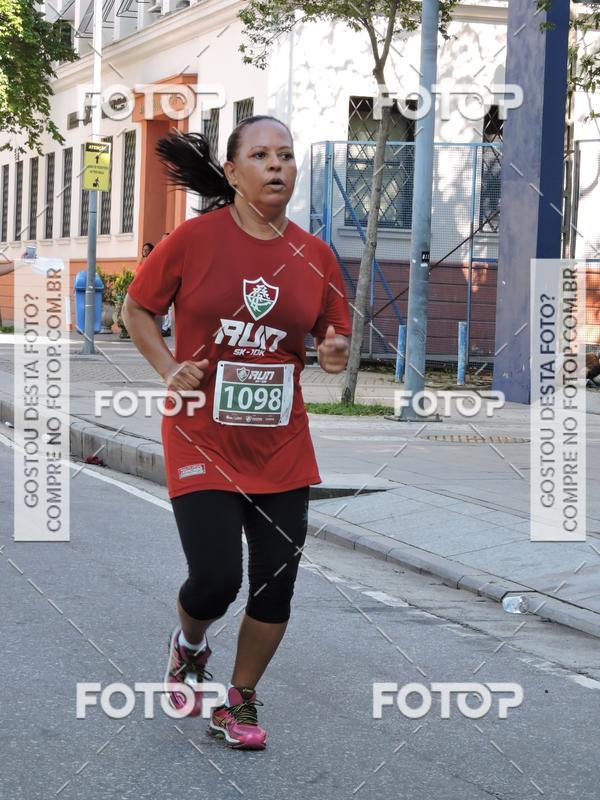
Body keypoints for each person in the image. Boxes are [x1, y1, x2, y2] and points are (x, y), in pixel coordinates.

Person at [123, 117, 351, 750]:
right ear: (232, 171)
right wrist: (169, 368)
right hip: (201, 437)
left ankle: (239, 699)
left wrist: (334, 353)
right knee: (217, 579)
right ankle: (189, 645)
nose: (276, 165)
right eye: (261, 155)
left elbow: (333, 339)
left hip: (282, 446)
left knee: (276, 583)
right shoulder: (194, 239)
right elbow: (137, 308)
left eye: (286, 155)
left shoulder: (316, 256)